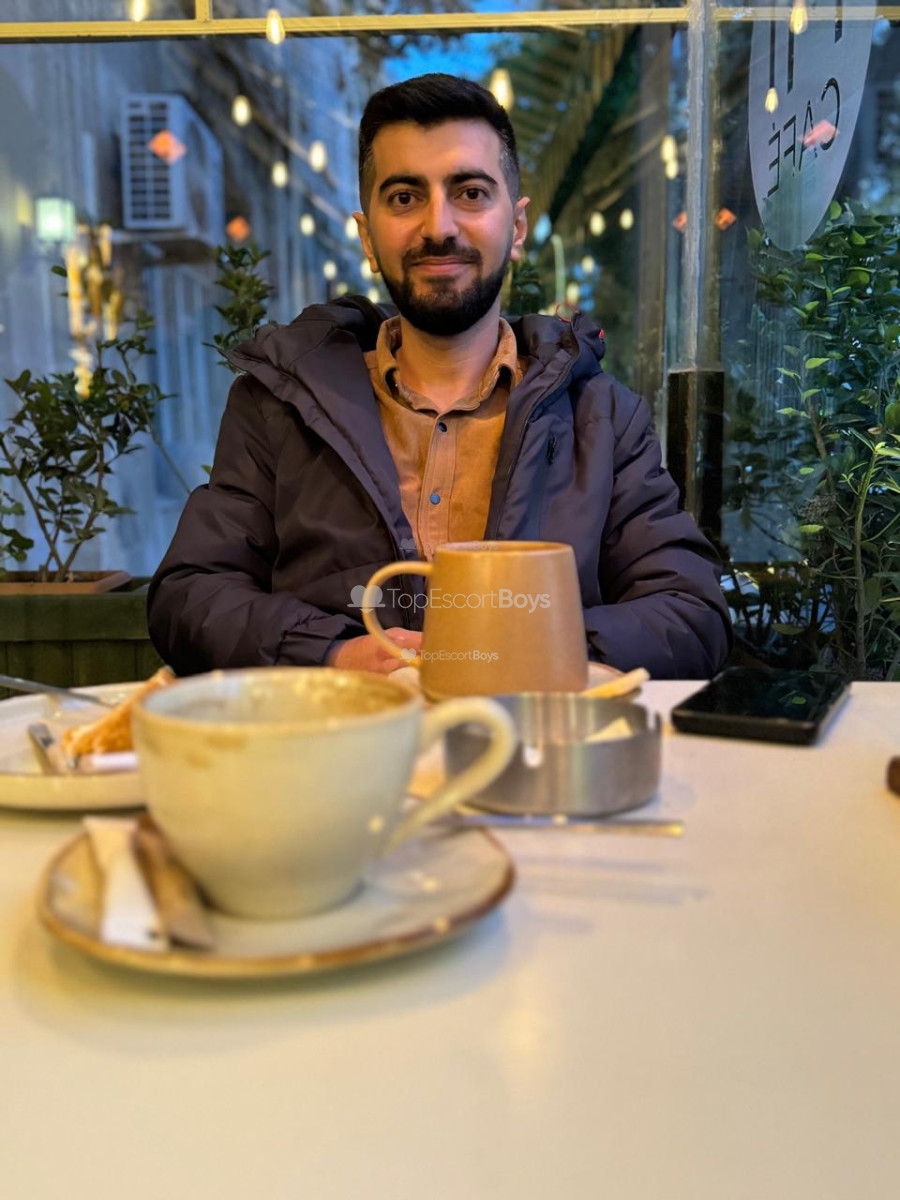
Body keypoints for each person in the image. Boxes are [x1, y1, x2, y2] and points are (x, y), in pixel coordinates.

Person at [148, 73, 731, 680]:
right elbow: (190, 597)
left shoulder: (602, 418)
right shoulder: (278, 406)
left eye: (471, 193)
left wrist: (520, 654)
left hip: (532, 736)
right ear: (367, 236)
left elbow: (691, 615)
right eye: (404, 197)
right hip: (342, 733)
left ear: (518, 227)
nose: (439, 226)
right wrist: (333, 653)